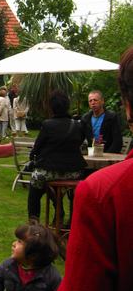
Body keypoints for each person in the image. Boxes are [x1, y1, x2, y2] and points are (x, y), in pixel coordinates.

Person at [46, 46, 133, 291]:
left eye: (96, 100)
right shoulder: (81, 122)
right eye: (91, 100)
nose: (93, 104)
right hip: (77, 171)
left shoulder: (105, 196)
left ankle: (42, 216)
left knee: (40, 188)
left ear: (126, 106)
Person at [27, 90, 86, 221]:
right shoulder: (77, 125)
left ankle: (34, 222)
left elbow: (36, 149)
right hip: (74, 172)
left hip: (49, 171)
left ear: (52, 107)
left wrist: (33, 156)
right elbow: (80, 143)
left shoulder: (48, 125)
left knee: (35, 188)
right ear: (67, 106)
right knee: (70, 191)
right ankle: (71, 220)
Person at [81, 89, 123, 153]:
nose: (93, 103)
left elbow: (117, 141)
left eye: (95, 100)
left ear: (102, 101)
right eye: (90, 101)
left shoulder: (112, 117)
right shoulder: (85, 119)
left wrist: (107, 155)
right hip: (92, 153)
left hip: (109, 152)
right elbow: (80, 138)